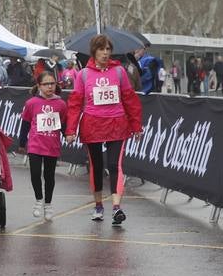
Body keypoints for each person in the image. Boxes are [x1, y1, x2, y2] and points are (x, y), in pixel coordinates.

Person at [66, 34, 143, 227]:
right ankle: (98, 205)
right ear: (94, 52)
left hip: (117, 124)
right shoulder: (83, 74)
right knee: (97, 166)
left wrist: (136, 126)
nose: (105, 53)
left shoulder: (119, 72)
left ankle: (117, 207)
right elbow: (75, 104)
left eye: (108, 49)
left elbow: (130, 100)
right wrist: (70, 130)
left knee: (115, 164)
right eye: (101, 49)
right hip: (92, 125)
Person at [21, 69, 66, 220]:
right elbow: (25, 124)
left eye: (52, 84)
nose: (49, 87)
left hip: (51, 144)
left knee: (49, 176)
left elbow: (63, 124)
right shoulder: (32, 103)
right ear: (39, 85)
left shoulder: (60, 104)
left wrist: (69, 135)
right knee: (35, 174)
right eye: (46, 84)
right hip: (35, 144)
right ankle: (39, 200)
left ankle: (48, 204)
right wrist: (22, 143)